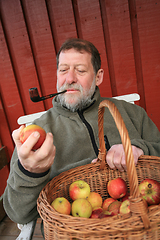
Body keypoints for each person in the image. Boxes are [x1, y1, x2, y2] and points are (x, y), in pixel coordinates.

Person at [3, 38, 160, 225]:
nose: (69, 79)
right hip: (76, 230)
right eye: (63, 70)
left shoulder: (132, 113)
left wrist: (139, 148)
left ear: (98, 76)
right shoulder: (37, 135)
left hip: (142, 221)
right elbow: (18, 213)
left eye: (80, 70)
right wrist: (30, 172)